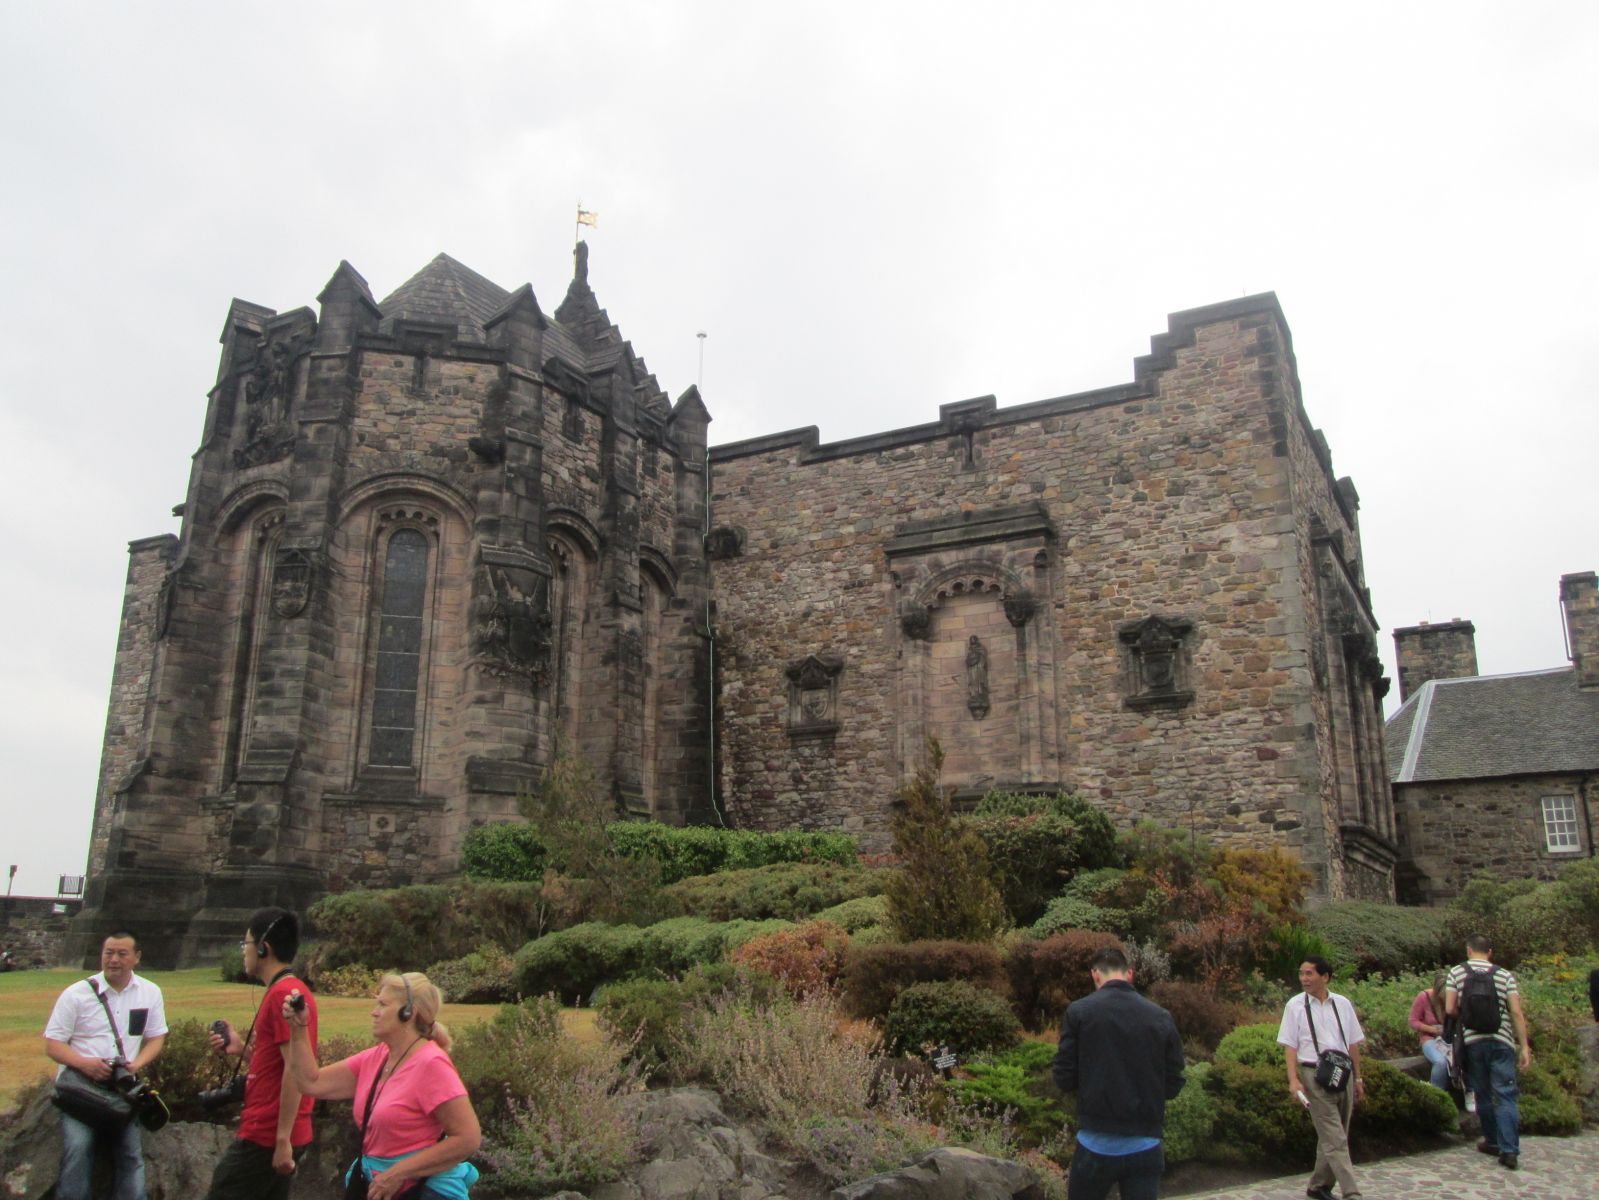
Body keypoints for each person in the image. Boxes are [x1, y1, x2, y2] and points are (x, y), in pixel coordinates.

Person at [282, 971, 481, 1199]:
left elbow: (468, 1138)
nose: (373, 1012)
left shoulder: (431, 1065)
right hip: (377, 1186)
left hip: (424, 1192)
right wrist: (298, 1029)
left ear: (408, 1013)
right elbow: (310, 1083)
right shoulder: (376, 1058)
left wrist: (399, 1173)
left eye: (382, 1004)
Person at [1051, 946, 1185, 1200]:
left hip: (1094, 1143)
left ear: (1095, 975)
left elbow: (1063, 1076)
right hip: (1145, 1143)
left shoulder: (1079, 1012)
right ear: (1130, 973)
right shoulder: (1160, 1017)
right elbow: (1175, 1080)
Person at [202, 908, 318, 1199]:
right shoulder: (291, 990)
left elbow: (295, 1071)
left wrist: (282, 1140)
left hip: (265, 1134)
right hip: (275, 1133)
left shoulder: (283, 995)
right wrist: (241, 1049)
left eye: (247, 944)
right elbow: (282, 1065)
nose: (244, 952)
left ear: (264, 948)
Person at [43, 931, 168, 1200]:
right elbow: (53, 1044)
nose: (113, 960)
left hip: (121, 1090)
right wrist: (85, 1064)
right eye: (108, 953)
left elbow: (156, 1037)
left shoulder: (149, 992)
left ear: (137, 957)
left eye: (122, 954)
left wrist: (136, 1065)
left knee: (131, 1154)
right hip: (80, 1090)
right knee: (78, 1148)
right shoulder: (76, 994)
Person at [1277, 956, 1365, 1200]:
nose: (1304, 979)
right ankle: (1352, 1192)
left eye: (1309, 974)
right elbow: (1290, 1046)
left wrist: (1358, 1079)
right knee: (1334, 1136)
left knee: (1337, 1133)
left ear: (1325, 977)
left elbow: (1353, 1043)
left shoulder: (1342, 1004)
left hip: (1342, 1072)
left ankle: (1318, 1186)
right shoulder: (1294, 1006)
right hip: (1313, 1073)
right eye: (1302, 974)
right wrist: (1293, 1079)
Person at [1444, 934, 1531, 1171]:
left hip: (1473, 1042)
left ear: (1469, 950)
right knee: (1505, 1094)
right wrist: (1524, 1046)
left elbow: (1450, 1008)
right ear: (1490, 952)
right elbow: (1516, 1012)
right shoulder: (1505, 976)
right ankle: (1510, 1150)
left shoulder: (1457, 973)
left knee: (1482, 1093)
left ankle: (1492, 1141)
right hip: (1501, 1041)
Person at [1409, 971, 1451, 1090]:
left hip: (1448, 1039)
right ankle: (1436, 1092)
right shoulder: (1424, 997)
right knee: (1440, 1062)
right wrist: (1431, 1029)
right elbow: (1412, 1021)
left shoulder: (1453, 999)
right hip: (1430, 1038)